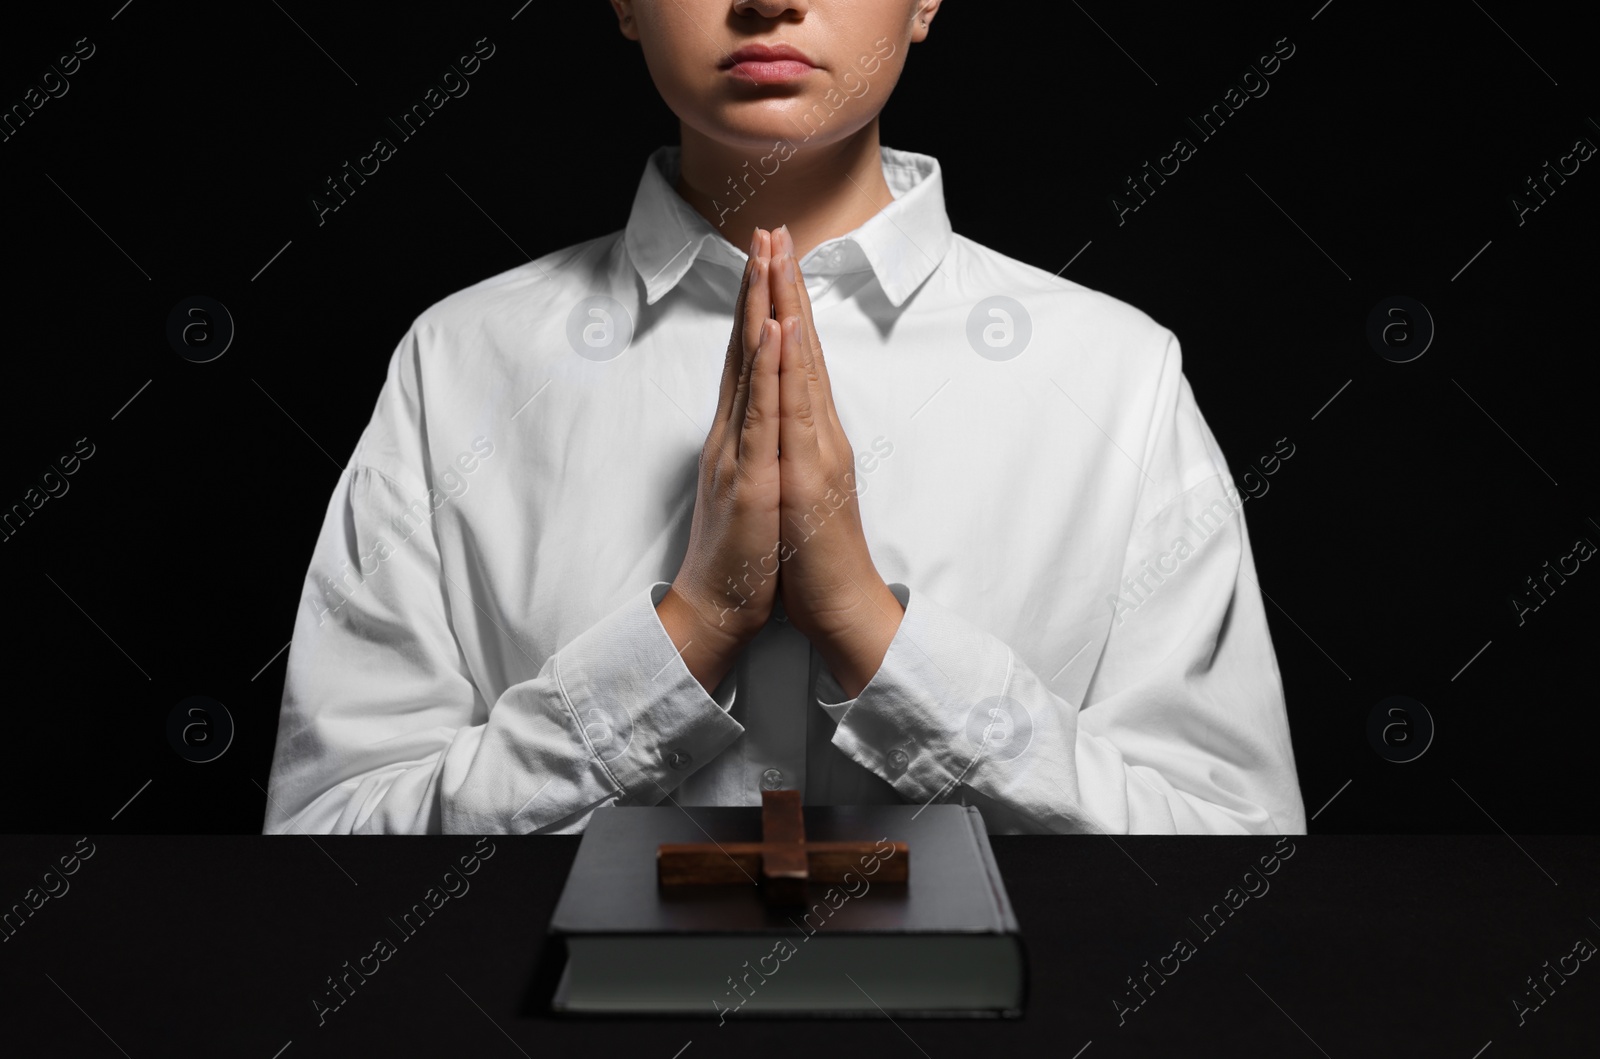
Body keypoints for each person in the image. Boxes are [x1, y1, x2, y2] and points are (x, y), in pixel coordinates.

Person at [262, 0, 1306, 836]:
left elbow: (1231, 861)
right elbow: (326, 849)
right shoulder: (460, 363)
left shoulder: (1116, 371)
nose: (768, 3)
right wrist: (692, 629)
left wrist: (866, 623)